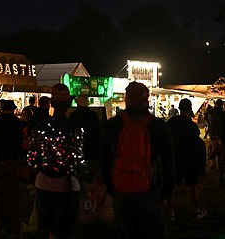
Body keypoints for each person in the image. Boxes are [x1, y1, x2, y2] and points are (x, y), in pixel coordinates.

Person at [100, 82, 175, 239]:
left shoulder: (113, 125)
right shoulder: (158, 126)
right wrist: (166, 193)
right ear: (147, 99)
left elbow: (105, 160)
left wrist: (111, 187)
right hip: (149, 192)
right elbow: (169, 162)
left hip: (121, 192)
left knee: (126, 232)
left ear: (127, 99)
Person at [27, 84, 85, 239]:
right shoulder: (74, 128)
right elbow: (78, 160)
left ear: (51, 103)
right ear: (69, 104)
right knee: (66, 230)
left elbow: (32, 158)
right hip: (67, 185)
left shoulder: (40, 127)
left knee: (50, 228)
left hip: (43, 183)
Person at [166, 98, 208, 221]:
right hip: (190, 158)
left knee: (173, 185)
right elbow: (197, 144)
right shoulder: (192, 126)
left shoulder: (171, 123)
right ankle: (197, 210)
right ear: (190, 110)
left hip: (175, 158)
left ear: (179, 109)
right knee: (194, 185)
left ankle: (171, 212)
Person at [68, 95, 101, 163]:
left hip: (78, 149)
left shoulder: (73, 116)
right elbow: (97, 132)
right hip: (91, 149)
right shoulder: (93, 115)